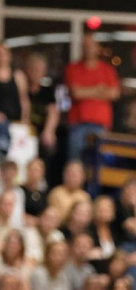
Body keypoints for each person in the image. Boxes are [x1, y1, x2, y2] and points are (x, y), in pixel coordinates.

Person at [64, 32, 120, 161]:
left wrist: (86, 92)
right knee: (75, 160)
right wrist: (98, 89)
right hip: (77, 124)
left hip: (100, 124)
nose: (88, 48)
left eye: (91, 45)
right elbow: (76, 93)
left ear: (97, 48)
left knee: (97, 162)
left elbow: (114, 93)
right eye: (86, 45)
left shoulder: (107, 70)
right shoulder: (72, 69)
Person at [0, 43, 29, 159]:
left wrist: (25, 119)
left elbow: (24, 100)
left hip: (15, 122)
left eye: (3, 54)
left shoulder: (18, 76)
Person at [47, 160, 91, 226]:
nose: (72, 177)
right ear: (64, 175)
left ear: (83, 177)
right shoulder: (56, 193)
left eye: (76, 174)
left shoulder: (85, 197)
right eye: (70, 174)